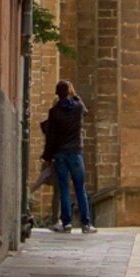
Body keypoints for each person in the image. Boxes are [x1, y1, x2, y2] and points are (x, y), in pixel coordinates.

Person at [42, 79, 94, 235]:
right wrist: (74, 94)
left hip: (60, 155)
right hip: (76, 153)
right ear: (69, 92)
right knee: (80, 188)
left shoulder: (54, 112)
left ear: (57, 94)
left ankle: (67, 223)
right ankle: (86, 224)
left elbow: (50, 137)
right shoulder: (77, 108)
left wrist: (47, 156)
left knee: (64, 189)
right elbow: (85, 110)